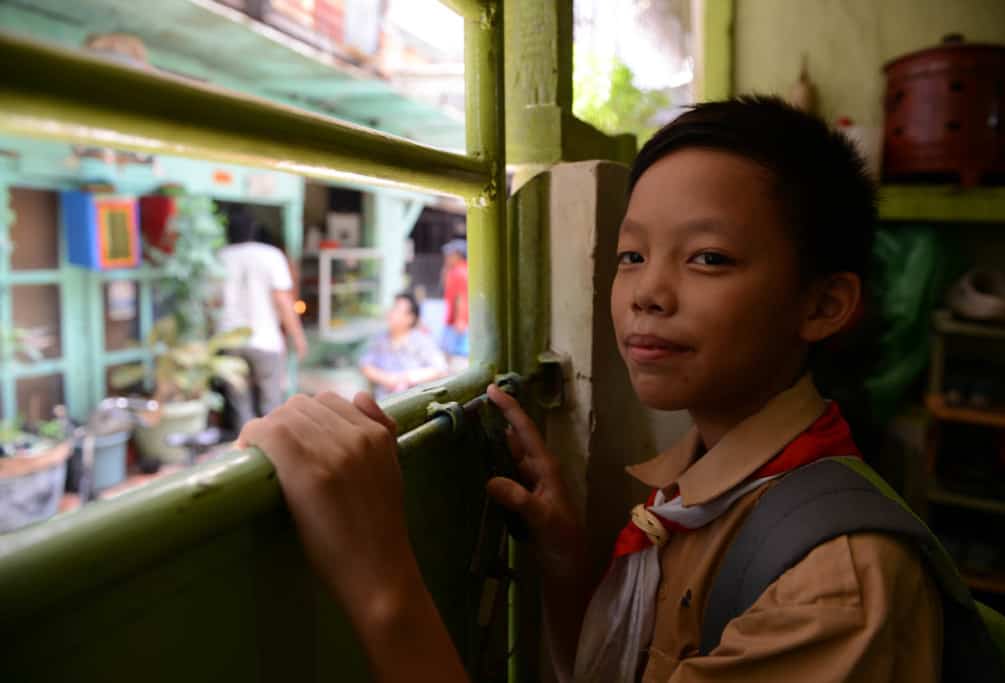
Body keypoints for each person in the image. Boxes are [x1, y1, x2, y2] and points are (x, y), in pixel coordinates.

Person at [238, 97, 943, 682]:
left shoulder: (833, 594)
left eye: (708, 257)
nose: (647, 294)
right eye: (631, 255)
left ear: (823, 305)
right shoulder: (695, 486)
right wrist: (570, 561)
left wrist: (381, 579)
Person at [218, 210, 307, 430]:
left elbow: (211, 303)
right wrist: (297, 336)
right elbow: (283, 300)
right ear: (253, 231)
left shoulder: (220, 257)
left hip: (230, 341)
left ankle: (245, 454)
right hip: (265, 340)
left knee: (240, 405)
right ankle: (272, 455)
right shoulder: (270, 255)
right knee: (272, 405)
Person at [359, 293, 449, 400]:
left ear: (410, 318)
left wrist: (405, 377)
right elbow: (365, 365)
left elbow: (440, 369)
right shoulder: (381, 339)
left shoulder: (421, 341)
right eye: (392, 308)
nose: (390, 313)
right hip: (382, 403)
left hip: (412, 404)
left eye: (396, 310)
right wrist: (386, 378)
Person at [440, 238, 469, 369]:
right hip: (455, 321)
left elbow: (462, 297)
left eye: (450, 254)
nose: (446, 257)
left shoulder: (459, 272)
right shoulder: (458, 270)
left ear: (457, 255)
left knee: (456, 358)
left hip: (456, 322)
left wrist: (460, 319)